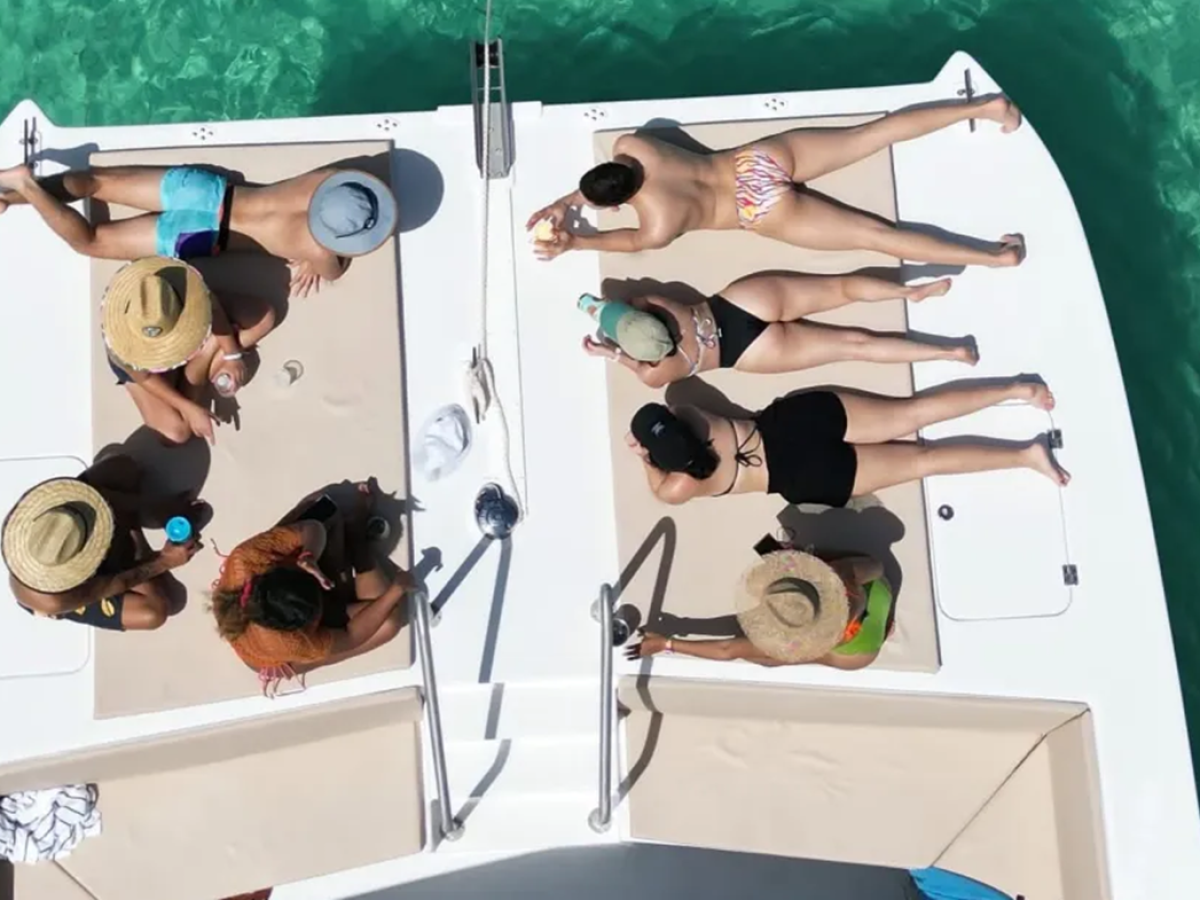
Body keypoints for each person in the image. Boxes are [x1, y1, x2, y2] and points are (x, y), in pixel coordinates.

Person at [527, 95, 1025, 266]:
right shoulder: (635, 146)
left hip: (755, 212)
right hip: (753, 163)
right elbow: (607, 180)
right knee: (872, 134)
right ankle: (987, 108)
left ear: (617, 204)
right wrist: (568, 196)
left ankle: (995, 256)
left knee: (879, 238)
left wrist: (575, 242)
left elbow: (627, 241)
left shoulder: (658, 224)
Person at [627, 379, 1069, 509]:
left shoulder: (679, 488)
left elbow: (659, 487)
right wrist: (652, 443)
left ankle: (1024, 456)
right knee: (912, 413)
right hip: (791, 424)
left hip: (798, 476)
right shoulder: (690, 413)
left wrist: (648, 461)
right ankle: (1015, 391)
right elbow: (674, 407)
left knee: (924, 460)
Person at [0, 164, 398, 297]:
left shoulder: (325, 179)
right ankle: (26, 186)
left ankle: (7, 192)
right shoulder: (323, 253)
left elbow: (356, 177)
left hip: (207, 190)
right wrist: (320, 255)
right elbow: (335, 271)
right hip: (202, 234)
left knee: (95, 181)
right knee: (90, 241)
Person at [579, 272, 970, 387]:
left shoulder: (657, 373)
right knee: (840, 287)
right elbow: (626, 307)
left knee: (856, 346)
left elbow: (634, 361)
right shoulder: (655, 303)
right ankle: (910, 292)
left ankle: (950, 353)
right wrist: (602, 310)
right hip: (735, 304)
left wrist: (609, 352)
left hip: (746, 352)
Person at [210, 482, 412, 696]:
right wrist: (395, 591)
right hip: (274, 651)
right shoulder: (290, 643)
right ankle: (357, 542)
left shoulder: (247, 559)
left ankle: (349, 555)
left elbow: (312, 527)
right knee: (388, 621)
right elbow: (351, 635)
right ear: (305, 625)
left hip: (286, 592)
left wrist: (309, 556)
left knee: (324, 507)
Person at [2, 455, 203, 631]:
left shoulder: (42, 515)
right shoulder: (54, 599)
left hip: (77, 527)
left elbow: (101, 497)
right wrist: (165, 561)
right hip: (82, 591)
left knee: (123, 468)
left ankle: (128, 541)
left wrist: (158, 509)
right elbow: (114, 583)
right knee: (154, 612)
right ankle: (134, 549)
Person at [102, 256, 277, 445]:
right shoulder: (121, 345)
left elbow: (215, 311)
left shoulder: (160, 292)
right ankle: (206, 355)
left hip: (183, 311)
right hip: (148, 373)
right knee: (176, 434)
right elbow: (145, 378)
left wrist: (232, 354)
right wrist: (189, 408)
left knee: (264, 318)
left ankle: (204, 358)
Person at [627, 546, 894, 669]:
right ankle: (883, 625)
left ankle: (884, 628)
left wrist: (667, 644)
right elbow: (877, 566)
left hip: (855, 653)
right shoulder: (840, 574)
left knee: (761, 657)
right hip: (877, 595)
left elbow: (727, 649)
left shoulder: (795, 639)